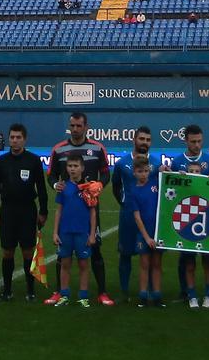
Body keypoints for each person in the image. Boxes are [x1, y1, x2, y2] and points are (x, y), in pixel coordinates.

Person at [46, 111, 113, 305]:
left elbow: (105, 173)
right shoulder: (59, 149)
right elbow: (51, 175)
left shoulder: (98, 148)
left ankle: (102, 292)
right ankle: (59, 292)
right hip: (68, 209)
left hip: (90, 208)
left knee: (95, 249)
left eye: (79, 126)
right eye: (72, 126)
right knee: (63, 255)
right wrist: (55, 185)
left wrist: (100, 184)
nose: (75, 129)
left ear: (86, 127)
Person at [0, 122, 48, 303]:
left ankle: (30, 291)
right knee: (7, 251)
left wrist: (43, 211)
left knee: (28, 252)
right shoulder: (1, 162)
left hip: (27, 210)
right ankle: (7, 291)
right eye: (12, 137)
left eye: (18, 137)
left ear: (25, 139)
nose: (15, 140)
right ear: (9, 139)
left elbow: (41, 188)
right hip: (7, 211)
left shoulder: (33, 161)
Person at [168, 124, 209, 308]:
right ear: (186, 141)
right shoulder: (177, 162)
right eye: (193, 142)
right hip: (186, 216)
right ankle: (188, 294)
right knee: (187, 259)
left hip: (208, 216)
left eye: (199, 141)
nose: (197, 145)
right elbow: (171, 191)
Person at [111, 125, 157, 300]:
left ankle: (151, 290)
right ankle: (125, 292)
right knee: (126, 253)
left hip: (150, 217)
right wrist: (124, 203)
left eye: (148, 140)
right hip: (128, 217)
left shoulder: (156, 163)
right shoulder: (121, 163)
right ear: (134, 140)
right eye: (141, 139)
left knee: (150, 254)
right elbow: (116, 186)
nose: (144, 142)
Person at [52, 152, 96, 307]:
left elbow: (93, 212)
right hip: (65, 232)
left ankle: (83, 296)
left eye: (76, 166)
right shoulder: (63, 187)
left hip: (82, 232)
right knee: (65, 264)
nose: (72, 169)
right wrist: (55, 232)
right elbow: (58, 210)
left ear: (82, 168)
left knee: (83, 265)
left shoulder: (89, 188)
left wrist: (92, 234)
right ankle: (64, 295)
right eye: (70, 166)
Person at [121, 156, 163, 307]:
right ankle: (143, 296)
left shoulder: (156, 184)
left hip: (158, 232)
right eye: (140, 171)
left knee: (157, 264)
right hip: (144, 235)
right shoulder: (133, 192)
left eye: (145, 171)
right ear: (134, 172)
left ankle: (157, 296)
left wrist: (168, 171)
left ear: (149, 171)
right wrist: (146, 238)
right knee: (144, 264)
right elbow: (137, 217)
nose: (143, 174)